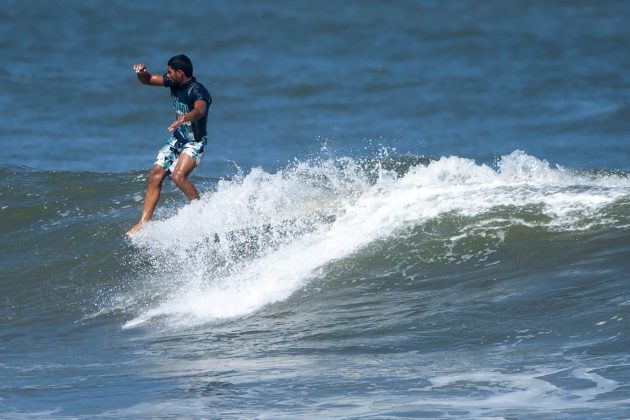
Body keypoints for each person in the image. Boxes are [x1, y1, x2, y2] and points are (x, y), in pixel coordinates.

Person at [126, 54, 212, 237]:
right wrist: (142, 73)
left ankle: (203, 214)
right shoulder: (174, 83)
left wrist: (184, 118)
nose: (167, 75)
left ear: (180, 73)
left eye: (170, 72)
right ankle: (143, 223)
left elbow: (200, 110)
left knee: (178, 176)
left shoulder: (197, 91)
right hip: (178, 139)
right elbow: (148, 80)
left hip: (195, 142)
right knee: (155, 174)